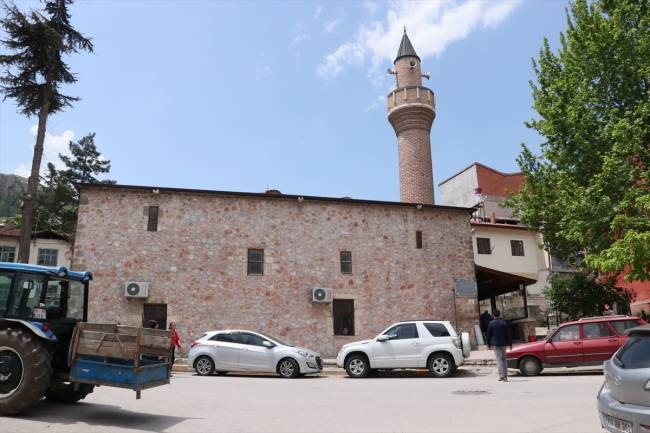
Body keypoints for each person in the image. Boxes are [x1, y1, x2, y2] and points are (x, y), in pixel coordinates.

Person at [486, 309, 513, 382]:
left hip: (495, 343)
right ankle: (505, 375)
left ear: (493, 315)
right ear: (499, 314)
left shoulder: (491, 323)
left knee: (498, 359)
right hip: (504, 343)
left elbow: (488, 334)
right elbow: (508, 334)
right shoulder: (503, 323)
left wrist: (488, 344)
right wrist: (510, 343)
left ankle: (501, 376)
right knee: (504, 359)